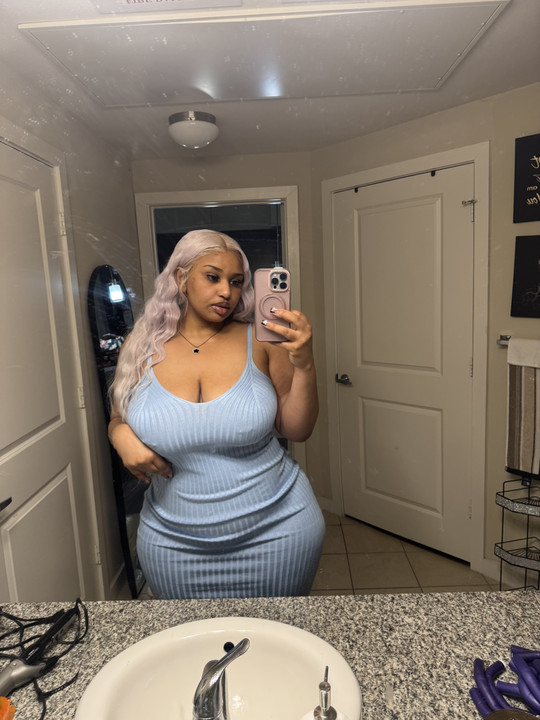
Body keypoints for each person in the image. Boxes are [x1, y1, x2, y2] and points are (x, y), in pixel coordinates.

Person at [108, 229, 325, 599]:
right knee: (188, 635)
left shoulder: (261, 340)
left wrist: (304, 363)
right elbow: (118, 416)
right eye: (213, 277)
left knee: (275, 633)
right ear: (181, 278)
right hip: (172, 542)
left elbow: (297, 429)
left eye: (236, 282)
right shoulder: (140, 347)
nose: (227, 291)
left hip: (279, 531)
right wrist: (119, 435)